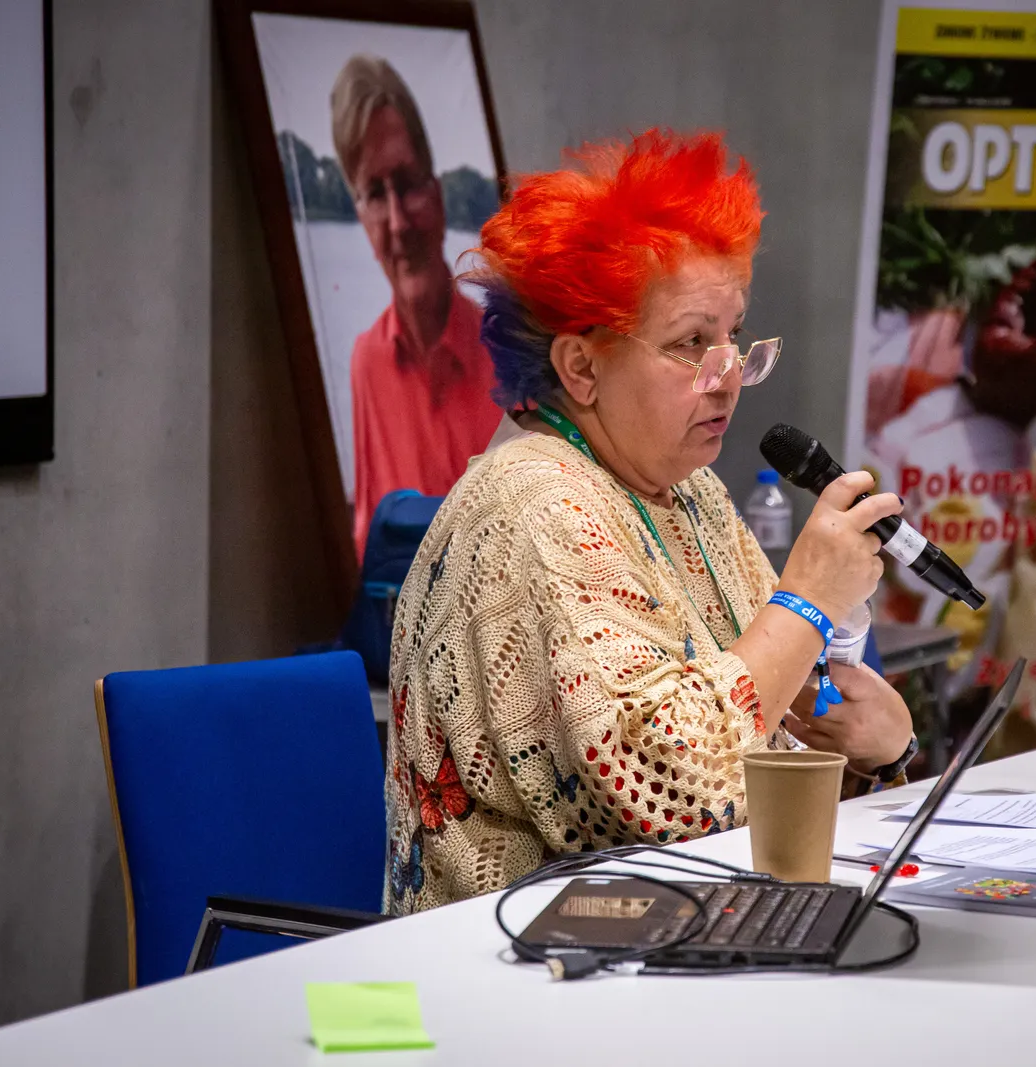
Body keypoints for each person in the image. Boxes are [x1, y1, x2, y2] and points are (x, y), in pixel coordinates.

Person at [382, 130, 918, 911]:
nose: (728, 375)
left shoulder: (687, 490)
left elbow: (763, 735)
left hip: (684, 924)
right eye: (692, 343)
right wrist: (806, 599)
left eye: (734, 337)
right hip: (525, 953)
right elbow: (674, 796)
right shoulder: (533, 506)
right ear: (581, 367)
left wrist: (879, 747)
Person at [330, 56, 502, 560]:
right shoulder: (367, 364)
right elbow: (373, 548)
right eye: (374, 194)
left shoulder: (509, 355)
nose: (399, 222)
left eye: (407, 185)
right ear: (363, 220)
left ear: (438, 195)